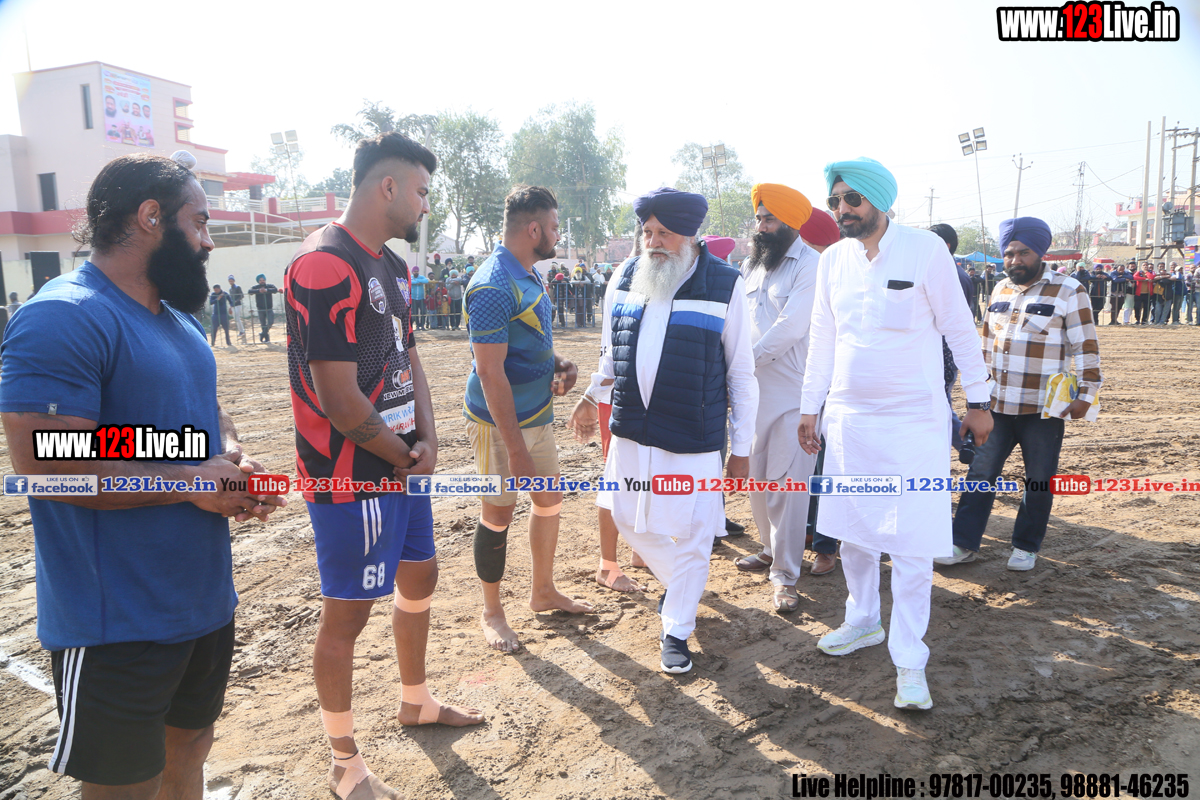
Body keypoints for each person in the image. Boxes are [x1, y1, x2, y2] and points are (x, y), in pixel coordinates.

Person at [0, 152, 284, 800]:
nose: (208, 242)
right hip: (116, 622)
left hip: (202, 604)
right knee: (126, 786)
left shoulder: (178, 320)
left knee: (190, 752)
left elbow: (203, 412)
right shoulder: (64, 315)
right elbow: (48, 460)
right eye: (200, 222)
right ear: (150, 216)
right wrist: (191, 479)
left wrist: (230, 461)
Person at [284, 132, 484, 800]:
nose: (426, 205)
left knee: (421, 573)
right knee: (347, 615)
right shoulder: (324, 264)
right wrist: (403, 458)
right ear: (388, 187)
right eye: (422, 192)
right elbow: (338, 399)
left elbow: (409, 357)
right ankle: (345, 764)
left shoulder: (394, 266)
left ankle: (415, 700)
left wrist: (427, 439)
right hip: (351, 475)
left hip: (401, 465)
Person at [798, 157, 992, 710]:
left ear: (880, 201)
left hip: (913, 423)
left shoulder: (925, 250)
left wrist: (978, 401)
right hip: (849, 421)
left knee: (910, 542)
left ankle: (910, 660)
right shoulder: (833, 260)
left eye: (851, 199)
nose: (842, 210)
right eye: (835, 200)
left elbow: (959, 329)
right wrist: (810, 407)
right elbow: (823, 339)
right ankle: (862, 620)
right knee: (854, 530)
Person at [572, 187, 758, 674]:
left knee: (695, 534)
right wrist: (590, 398)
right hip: (632, 427)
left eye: (665, 234)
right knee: (627, 517)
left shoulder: (724, 284)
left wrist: (742, 447)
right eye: (647, 232)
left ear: (691, 236)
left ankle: (676, 628)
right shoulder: (624, 276)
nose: (653, 243)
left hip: (693, 433)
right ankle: (683, 590)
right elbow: (611, 353)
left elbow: (742, 373)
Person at [462, 184, 592, 654]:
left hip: (538, 414)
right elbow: (489, 371)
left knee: (549, 499)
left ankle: (542, 591)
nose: (558, 235)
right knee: (498, 513)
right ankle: (492, 612)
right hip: (500, 426)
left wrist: (560, 364)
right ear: (534, 229)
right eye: (554, 227)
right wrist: (515, 449)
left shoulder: (528, 273)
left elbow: (531, 337)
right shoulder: (492, 284)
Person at [939, 216, 1102, 573]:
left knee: (1039, 480)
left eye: (1023, 253)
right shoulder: (1000, 289)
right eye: (1009, 253)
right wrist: (977, 399)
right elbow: (984, 346)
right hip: (995, 406)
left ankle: (1025, 547)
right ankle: (963, 543)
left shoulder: (1069, 290)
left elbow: (1086, 346)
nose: (1015, 260)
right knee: (979, 475)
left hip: (1043, 409)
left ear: (1040, 252)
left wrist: (1086, 393)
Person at [730, 183, 818, 614]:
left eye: (770, 219)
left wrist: (743, 362)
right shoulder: (752, 266)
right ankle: (768, 549)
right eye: (759, 219)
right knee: (758, 479)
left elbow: (791, 326)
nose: (761, 227)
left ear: (791, 222)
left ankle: (785, 575)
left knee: (787, 485)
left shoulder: (811, 264)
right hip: (751, 392)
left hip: (793, 394)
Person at [248, 274, 279, 341]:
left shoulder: (269, 286)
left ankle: (262, 334)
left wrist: (266, 290)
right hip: (260, 308)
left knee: (270, 322)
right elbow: (249, 291)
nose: (262, 281)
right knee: (263, 324)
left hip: (269, 308)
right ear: (258, 281)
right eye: (260, 280)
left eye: (263, 280)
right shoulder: (256, 287)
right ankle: (266, 338)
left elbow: (275, 290)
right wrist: (258, 291)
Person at [227, 274, 245, 342]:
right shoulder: (230, 289)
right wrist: (231, 306)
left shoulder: (237, 287)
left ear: (234, 281)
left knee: (237, 318)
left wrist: (236, 301)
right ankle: (241, 330)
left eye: (232, 280)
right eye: (230, 281)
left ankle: (242, 331)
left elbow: (241, 295)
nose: (231, 282)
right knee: (235, 318)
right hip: (233, 305)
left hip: (238, 305)